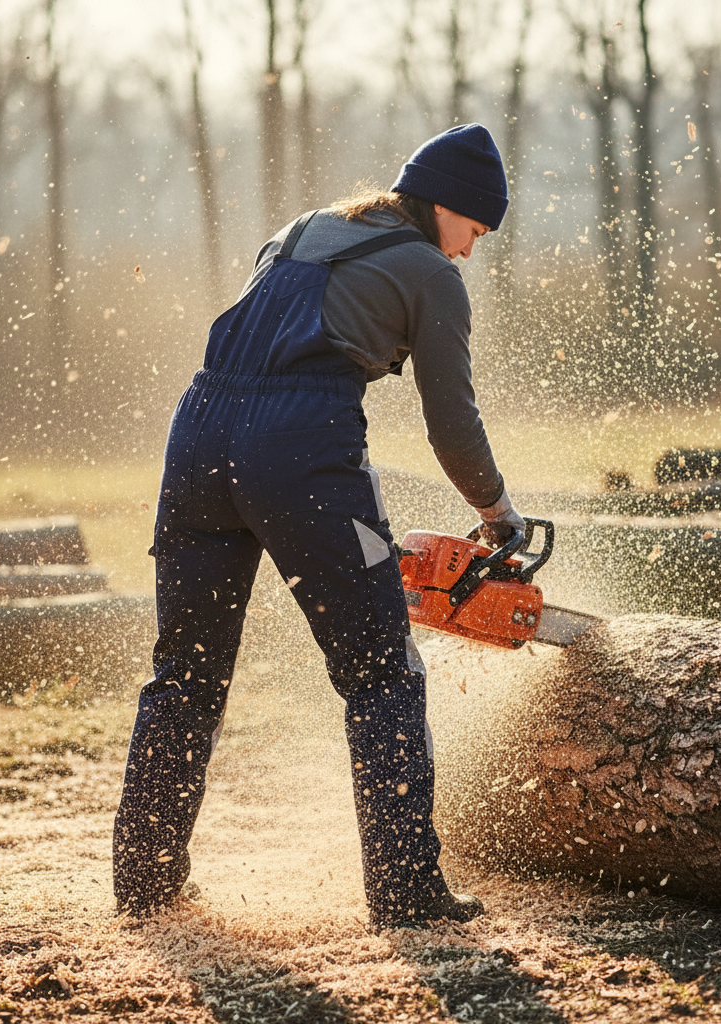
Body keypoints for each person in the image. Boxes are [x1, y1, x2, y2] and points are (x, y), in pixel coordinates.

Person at [112, 123, 525, 931]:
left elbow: (261, 340)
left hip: (196, 434)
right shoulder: (431, 275)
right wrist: (496, 512)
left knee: (186, 672)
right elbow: (453, 422)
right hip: (298, 449)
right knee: (383, 675)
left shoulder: (304, 227)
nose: (470, 252)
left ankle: (144, 880)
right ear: (448, 207)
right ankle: (406, 893)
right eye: (475, 230)